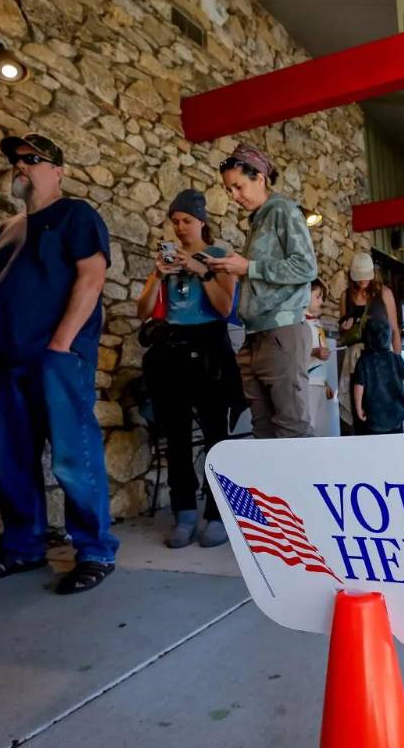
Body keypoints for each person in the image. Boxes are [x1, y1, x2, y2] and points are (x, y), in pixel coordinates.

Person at [0, 133, 118, 594]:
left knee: (74, 456)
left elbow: (91, 279)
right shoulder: (10, 228)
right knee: (9, 459)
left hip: (55, 358)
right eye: (17, 160)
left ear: (58, 170)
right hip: (5, 361)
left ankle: (95, 550)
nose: (21, 166)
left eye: (33, 159)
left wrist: (60, 344)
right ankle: (24, 546)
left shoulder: (76, 215)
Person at [136, 190, 239, 549]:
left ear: (202, 222)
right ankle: (184, 511)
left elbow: (226, 307)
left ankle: (218, 511)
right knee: (175, 435)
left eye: (187, 221)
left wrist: (201, 270)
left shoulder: (220, 256)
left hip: (210, 349)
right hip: (172, 350)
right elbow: (142, 310)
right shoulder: (166, 260)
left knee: (215, 436)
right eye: (176, 221)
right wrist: (157, 275)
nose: (180, 228)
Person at [206, 143, 317, 439]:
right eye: (229, 190)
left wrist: (249, 268)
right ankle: (273, 488)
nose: (234, 196)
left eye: (239, 187)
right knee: (264, 433)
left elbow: (306, 268)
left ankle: (298, 487)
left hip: (281, 333)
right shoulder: (258, 220)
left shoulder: (282, 210)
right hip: (255, 335)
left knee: (291, 431)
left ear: (260, 178)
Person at [338, 253, 398, 434]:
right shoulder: (346, 295)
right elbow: (343, 333)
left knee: (381, 409)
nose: (363, 279)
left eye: (366, 275)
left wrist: (396, 361)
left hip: (380, 358)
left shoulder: (384, 293)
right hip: (355, 360)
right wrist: (345, 327)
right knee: (359, 410)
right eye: (359, 276)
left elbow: (394, 329)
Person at [352, 319, 404, 435]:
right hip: (396, 414)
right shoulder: (396, 358)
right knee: (395, 446)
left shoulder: (364, 361)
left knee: (375, 448)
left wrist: (359, 408)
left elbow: (359, 386)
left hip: (374, 415)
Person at [305, 279, 336, 436]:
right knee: (309, 426)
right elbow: (295, 352)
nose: (321, 302)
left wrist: (326, 383)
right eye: (318, 296)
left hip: (319, 384)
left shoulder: (316, 324)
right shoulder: (300, 323)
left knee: (319, 426)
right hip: (307, 383)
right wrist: (314, 352)